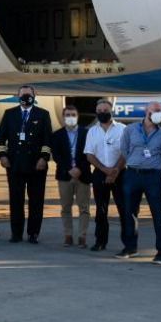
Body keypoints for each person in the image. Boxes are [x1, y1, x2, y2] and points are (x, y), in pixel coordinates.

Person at [0, 85, 53, 243]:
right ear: (17, 96)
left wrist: (44, 158)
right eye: (23, 94)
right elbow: (1, 139)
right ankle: (16, 233)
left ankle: (33, 233)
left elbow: (48, 140)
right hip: (15, 165)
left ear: (35, 96)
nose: (26, 97)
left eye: (29, 94)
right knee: (16, 200)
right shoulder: (10, 114)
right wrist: (2, 156)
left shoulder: (43, 114)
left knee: (36, 201)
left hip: (36, 165)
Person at [116, 101, 161, 263]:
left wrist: (156, 170)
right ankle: (130, 247)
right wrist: (136, 163)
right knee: (129, 212)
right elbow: (124, 150)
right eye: (155, 110)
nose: (158, 113)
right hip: (132, 174)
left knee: (158, 213)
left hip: (153, 176)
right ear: (146, 111)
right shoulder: (130, 129)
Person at [84, 100, 126, 251]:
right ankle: (100, 241)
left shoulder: (122, 129)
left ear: (111, 110)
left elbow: (126, 152)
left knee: (124, 209)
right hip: (100, 174)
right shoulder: (92, 131)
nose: (102, 113)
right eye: (99, 110)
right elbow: (89, 154)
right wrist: (105, 170)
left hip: (120, 173)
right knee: (101, 210)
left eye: (105, 110)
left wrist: (114, 171)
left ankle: (129, 243)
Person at [50, 105, 91, 248]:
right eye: (68, 115)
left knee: (84, 208)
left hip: (83, 175)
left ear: (78, 116)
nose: (71, 117)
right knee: (66, 207)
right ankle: (68, 235)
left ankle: (82, 236)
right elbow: (57, 156)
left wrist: (79, 168)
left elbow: (89, 154)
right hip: (64, 175)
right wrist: (69, 168)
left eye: (73, 114)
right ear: (63, 117)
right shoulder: (57, 135)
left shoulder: (87, 133)